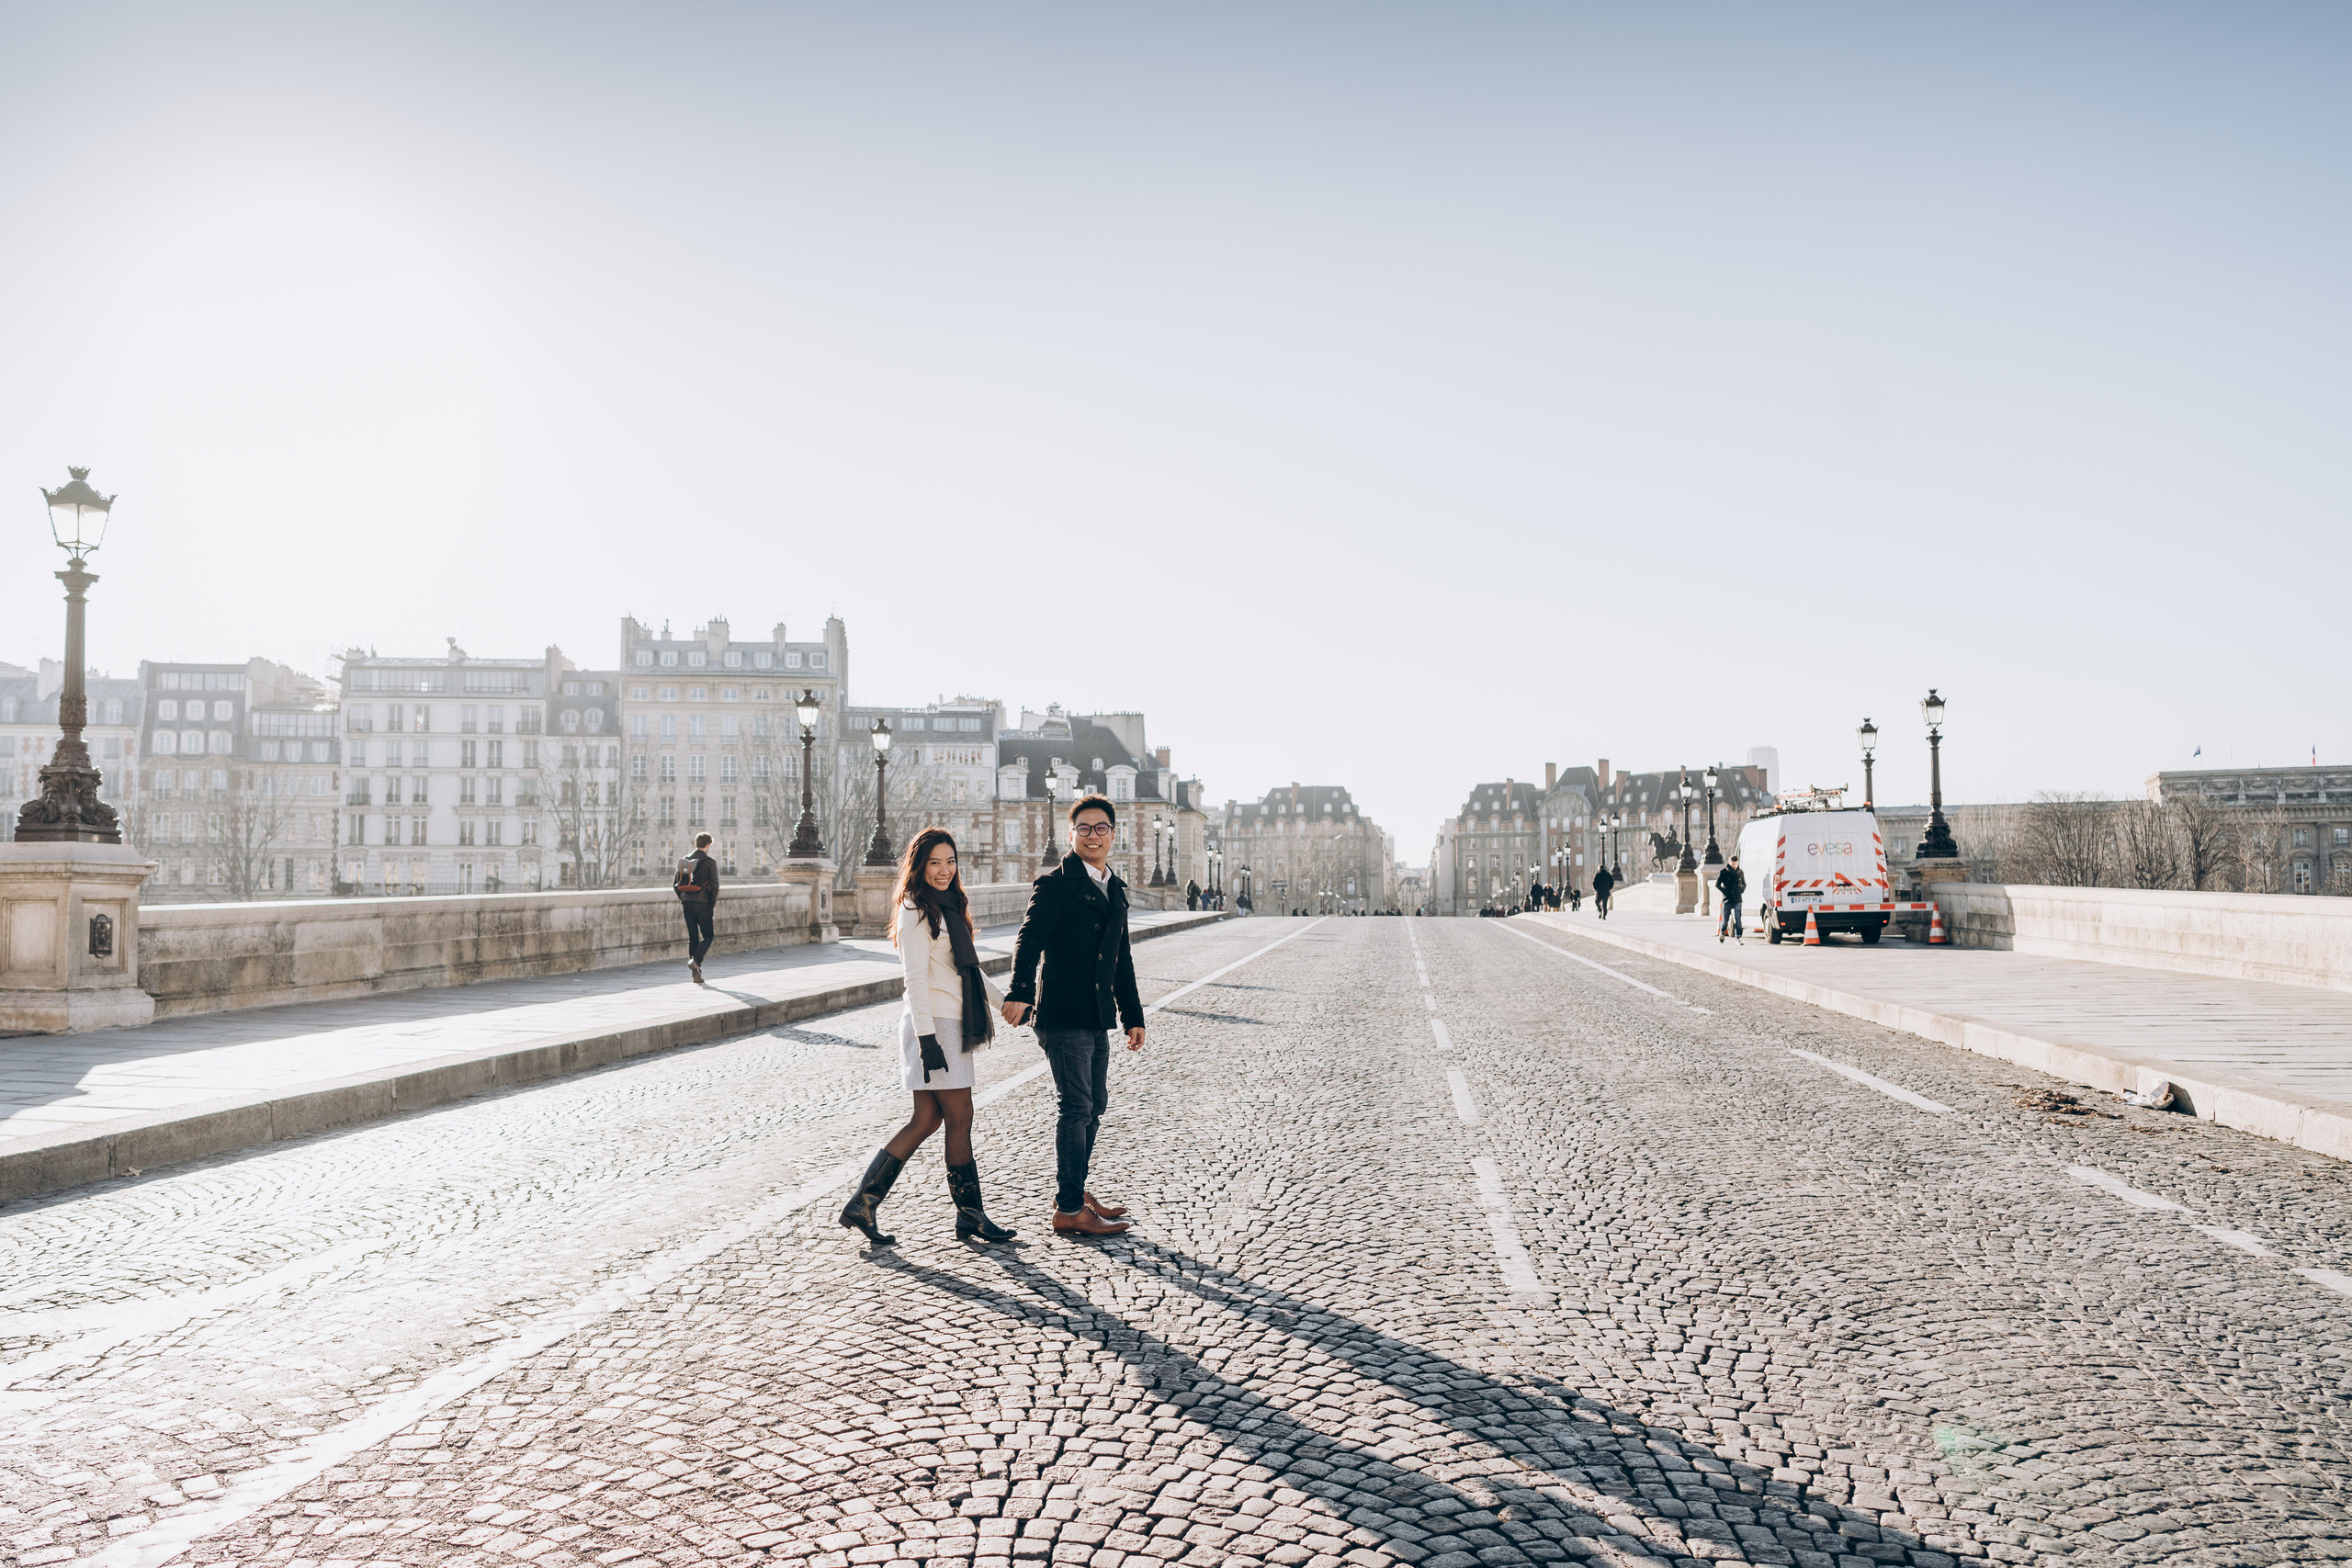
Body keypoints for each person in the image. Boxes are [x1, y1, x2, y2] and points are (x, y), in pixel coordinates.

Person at [839, 828, 1018, 1247]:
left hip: (945, 1021)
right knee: (959, 1118)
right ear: (919, 866)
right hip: (933, 1026)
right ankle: (970, 1215)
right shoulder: (915, 909)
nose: (944, 870)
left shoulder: (950, 906)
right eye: (935, 862)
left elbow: (966, 973)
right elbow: (915, 979)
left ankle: (863, 1205)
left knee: (928, 1119)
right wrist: (927, 1039)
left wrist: (1006, 1004)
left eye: (950, 861)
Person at [1002, 793, 1146, 1237]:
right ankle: (1067, 1208)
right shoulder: (1056, 883)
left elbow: (1121, 959)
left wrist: (1133, 1015)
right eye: (1083, 828)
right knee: (1076, 1106)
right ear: (1072, 835)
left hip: (1096, 1011)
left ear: (1113, 835)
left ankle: (1075, 1188)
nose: (1092, 835)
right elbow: (1029, 939)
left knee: (1094, 1105)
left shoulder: (1114, 889)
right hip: (1063, 1012)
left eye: (1101, 828)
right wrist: (1021, 990)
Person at [673, 831, 719, 983]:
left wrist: (683, 899)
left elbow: (676, 884)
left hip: (686, 904)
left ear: (695, 844)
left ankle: (696, 972)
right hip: (702, 903)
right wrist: (710, 904)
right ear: (707, 845)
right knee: (708, 935)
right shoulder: (709, 862)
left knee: (693, 937)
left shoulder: (685, 861)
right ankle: (696, 962)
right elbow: (715, 885)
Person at [1717, 855, 1747, 942]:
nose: (1734, 866)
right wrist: (1725, 892)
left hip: (1737, 898)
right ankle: (1722, 932)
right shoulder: (1724, 872)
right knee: (1725, 919)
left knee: (1738, 918)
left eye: (1736, 864)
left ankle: (1738, 937)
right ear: (1729, 863)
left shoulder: (1740, 872)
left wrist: (1741, 890)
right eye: (1733, 864)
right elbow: (1717, 884)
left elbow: (1744, 884)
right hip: (1727, 899)